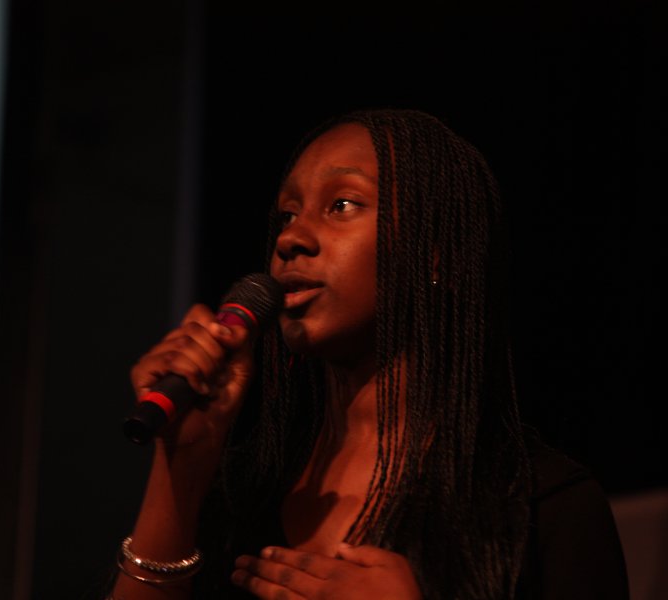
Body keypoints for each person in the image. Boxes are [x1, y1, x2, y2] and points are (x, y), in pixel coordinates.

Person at [106, 109, 628, 599]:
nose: (291, 238)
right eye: (288, 214)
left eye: (342, 205)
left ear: (435, 253)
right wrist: (179, 471)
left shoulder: (542, 504)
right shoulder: (238, 494)